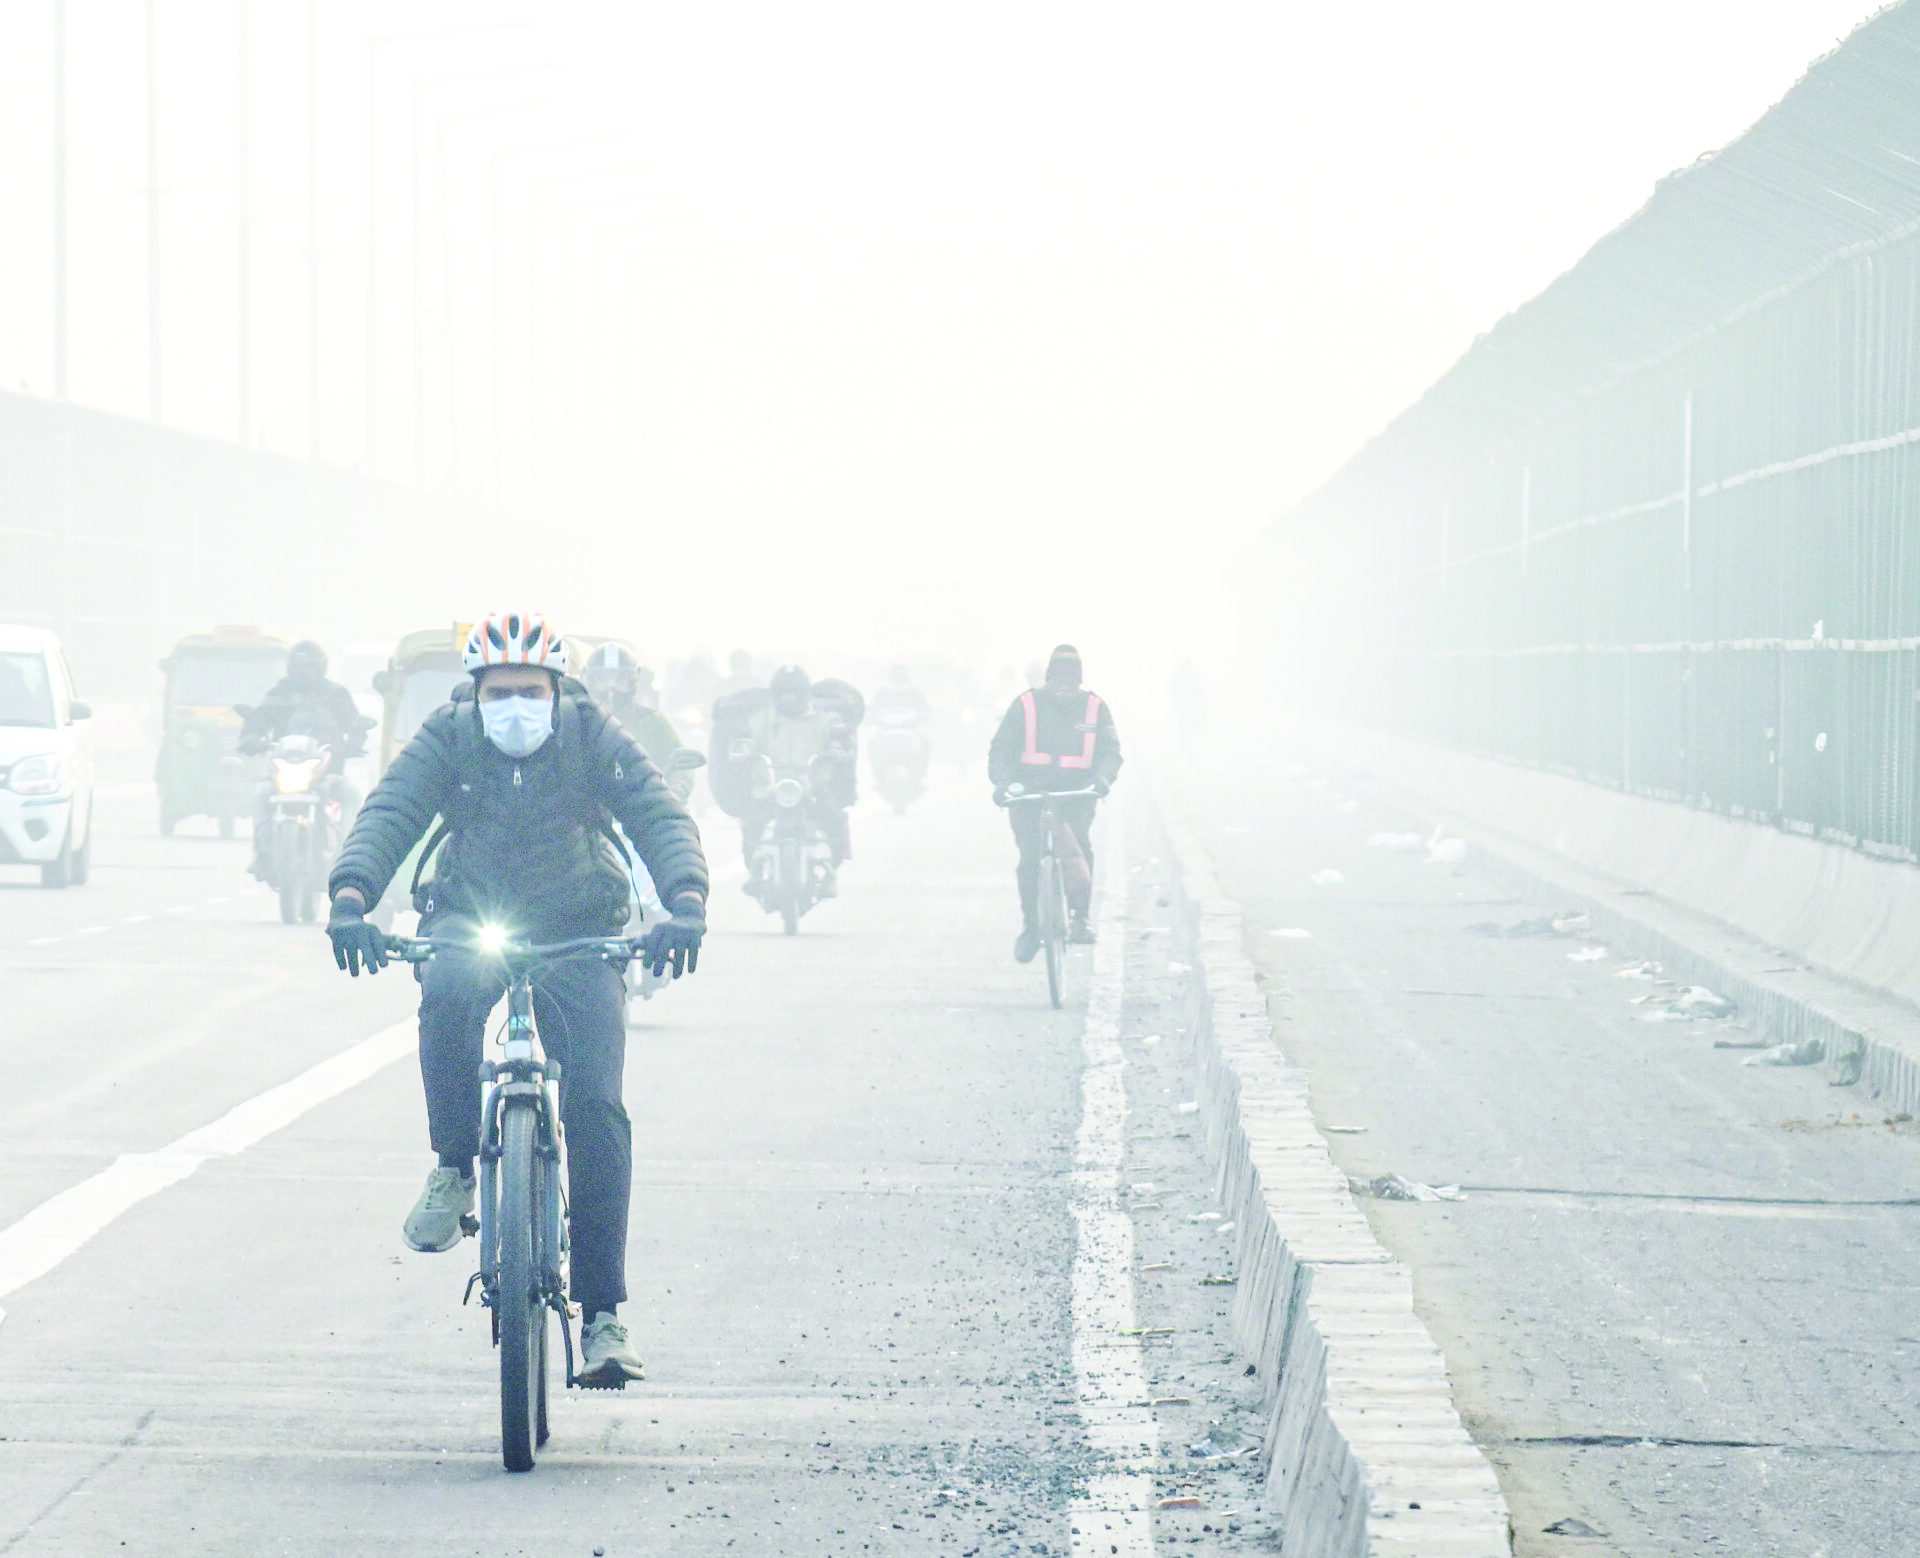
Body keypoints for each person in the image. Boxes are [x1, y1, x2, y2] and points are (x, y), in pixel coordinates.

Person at [322, 609, 708, 1388]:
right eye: (499, 692)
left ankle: (603, 1317)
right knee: (448, 996)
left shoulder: (594, 736)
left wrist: (686, 898)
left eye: (530, 690)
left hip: (578, 924)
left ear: (558, 690)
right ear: (474, 694)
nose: (515, 706)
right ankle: (456, 1168)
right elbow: (391, 811)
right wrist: (352, 896)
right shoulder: (449, 737)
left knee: (597, 1106)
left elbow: (658, 812)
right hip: (472, 912)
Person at [988, 644, 1123, 959]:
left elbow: (1110, 753)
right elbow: (1001, 751)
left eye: (1070, 681)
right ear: (1048, 679)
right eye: (1058, 680)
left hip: (1076, 794)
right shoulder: (1024, 706)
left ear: (1079, 680)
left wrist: (1102, 781)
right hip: (1029, 796)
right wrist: (1003, 784)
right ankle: (1032, 927)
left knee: (1079, 849)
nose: (1064, 687)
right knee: (1030, 859)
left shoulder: (1095, 708)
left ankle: (1080, 917)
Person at [240, 639, 367, 878]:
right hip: (283, 773)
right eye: (297, 667)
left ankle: (346, 856)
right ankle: (263, 853)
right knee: (261, 793)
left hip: (328, 773)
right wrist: (250, 736)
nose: (301, 672)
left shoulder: (336, 694)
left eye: (307, 667)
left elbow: (354, 722)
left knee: (351, 795)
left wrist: (355, 740)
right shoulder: (279, 693)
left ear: (320, 668)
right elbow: (259, 717)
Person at [739, 664, 853, 891]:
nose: (788, 699)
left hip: (812, 788)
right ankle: (755, 872)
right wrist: (742, 751)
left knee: (836, 820)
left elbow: (840, 742)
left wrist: (837, 748)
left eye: (793, 693)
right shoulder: (759, 721)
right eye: (783, 693)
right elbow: (746, 743)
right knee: (751, 824)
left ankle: (831, 874)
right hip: (771, 789)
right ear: (775, 694)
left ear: (804, 694)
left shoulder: (825, 721)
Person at [581, 641, 693, 801]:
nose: (611, 687)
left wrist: (676, 789)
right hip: (584, 814)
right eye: (603, 679)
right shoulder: (573, 719)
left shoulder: (653, 721)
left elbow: (678, 760)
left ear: (634, 679)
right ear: (589, 678)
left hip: (645, 809)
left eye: (620, 679)